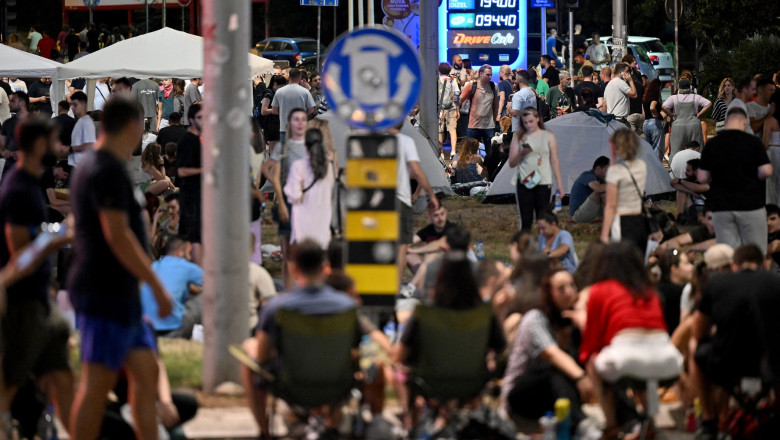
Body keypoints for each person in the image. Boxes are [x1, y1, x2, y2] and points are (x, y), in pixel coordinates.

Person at [68, 96, 174, 439]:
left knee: (145, 374)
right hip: (104, 291)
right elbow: (118, 234)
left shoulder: (92, 165)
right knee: (97, 386)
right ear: (132, 125)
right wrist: (156, 285)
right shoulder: (106, 169)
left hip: (119, 293)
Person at [0, 118, 74, 438]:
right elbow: (20, 251)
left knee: (61, 367)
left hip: (40, 296)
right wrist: (56, 237)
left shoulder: (30, 183)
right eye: (53, 142)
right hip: (22, 299)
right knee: (13, 376)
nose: (58, 148)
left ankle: (70, 426)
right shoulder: (17, 188)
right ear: (38, 145)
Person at [249, 239, 359, 438]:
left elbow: (262, 356)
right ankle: (332, 424)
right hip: (336, 385)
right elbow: (355, 350)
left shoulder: (276, 308)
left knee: (248, 353)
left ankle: (264, 431)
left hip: (290, 386)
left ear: (295, 268)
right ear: (325, 268)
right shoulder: (347, 306)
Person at [579, 243, 681, 440]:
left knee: (596, 363)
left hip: (627, 357)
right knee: (642, 372)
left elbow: (592, 341)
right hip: (669, 362)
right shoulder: (648, 291)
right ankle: (649, 423)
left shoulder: (600, 290)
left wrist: (584, 367)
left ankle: (611, 427)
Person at [691, 244, 780, 440]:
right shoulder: (776, 281)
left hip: (726, 363)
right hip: (770, 366)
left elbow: (698, 332)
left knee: (696, 352)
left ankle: (708, 421)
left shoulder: (717, 284)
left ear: (734, 265)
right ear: (763, 265)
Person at [502, 264, 592, 432]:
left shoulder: (572, 318)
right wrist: (581, 378)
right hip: (521, 397)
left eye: (572, 285)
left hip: (553, 398)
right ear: (549, 294)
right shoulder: (535, 318)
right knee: (552, 367)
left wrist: (583, 324)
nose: (569, 292)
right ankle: (581, 424)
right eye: (561, 288)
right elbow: (551, 354)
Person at [697, 99, 773, 255]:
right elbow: (766, 171)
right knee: (755, 250)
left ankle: (733, 277)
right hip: (751, 203)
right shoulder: (753, 142)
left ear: (725, 122)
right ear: (744, 122)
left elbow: (703, 177)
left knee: (728, 251)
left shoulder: (713, 144)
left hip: (722, 205)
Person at [262, 108, 308, 289]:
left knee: (302, 249)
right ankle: (290, 292)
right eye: (296, 120)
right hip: (288, 201)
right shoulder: (284, 147)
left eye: (303, 120)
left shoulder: (310, 146)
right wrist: (279, 194)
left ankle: (302, 288)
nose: (300, 123)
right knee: (288, 250)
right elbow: (267, 168)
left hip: (306, 201)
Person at [508, 107, 564, 231]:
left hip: (543, 181)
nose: (528, 125)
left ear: (538, 119)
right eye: (525, 122)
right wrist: (521, 154)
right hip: (524, 180)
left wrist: (560, 184)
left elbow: (554, 160)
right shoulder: (519, 137)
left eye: (531, 121)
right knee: (526, 220)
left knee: (543, 218)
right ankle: (525, 246)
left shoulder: (548, 136)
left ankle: (543, 246)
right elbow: (511, 163)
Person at [283, 127, 334, 250]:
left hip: (303, 225)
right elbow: (331, 191)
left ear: (305, 144)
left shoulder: (298, 166)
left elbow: (294, 196)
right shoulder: (329, 167)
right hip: (323, 222)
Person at [600, 129, 651, 252]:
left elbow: (611, 205)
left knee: (623, 263)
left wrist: (604, 233)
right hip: (640, 220)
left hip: (622, 221)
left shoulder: (615, 171)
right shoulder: (641, 166)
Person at [141, 238, 203, 338]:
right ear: (180, 251)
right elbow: (212, 283)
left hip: (148, 327)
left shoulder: (154, 265)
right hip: (172, 328)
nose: (190, 257)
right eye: (189, 252)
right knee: (205, 296)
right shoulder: (186, 266)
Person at [176, 103, 204, 265]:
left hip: (198, 195)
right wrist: (205, 169)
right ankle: (197, 274)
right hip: (191, 196)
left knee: (198, 235)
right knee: (194, 236)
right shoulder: (188, 140)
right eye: (201, 118)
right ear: (192, 120)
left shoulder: (197, 140)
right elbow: (181, 171)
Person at [662, 78, 712, 163]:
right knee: (696, 150)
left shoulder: (674, 98)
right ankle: (698, 169)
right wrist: (699, 114)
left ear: (679, 87)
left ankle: (674, 172)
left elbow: (664, 106)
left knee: (676, 151)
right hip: (694, 126)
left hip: (678, 126)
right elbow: (708, 103)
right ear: (690, 87)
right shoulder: (696, 97)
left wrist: (672, 115)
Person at [459, 64, 499, 153]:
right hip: (474, 126)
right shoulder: (471, 86)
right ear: (481, 74)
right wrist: (457, 110)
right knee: (470, 153)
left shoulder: (494, 86)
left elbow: (496, 105)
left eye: (491, 75)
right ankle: (472, 167)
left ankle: (488, 167)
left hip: (489, 126)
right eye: (487, 75)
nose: (490, 77)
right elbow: (460, 100)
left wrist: (495, 120)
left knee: (491, 153)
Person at [271, 68, 316, 146]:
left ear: (289, 77)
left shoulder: (279, 91)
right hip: (300, 129)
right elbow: (311, 110)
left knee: (285, 155)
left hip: (284, 129)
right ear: (299, 77)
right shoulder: (305, 92)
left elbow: (274, 111)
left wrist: (283, 113)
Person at [569, 156, 609, 223]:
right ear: (598, 169)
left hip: (590, 212)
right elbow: (598, 189)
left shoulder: (601, 180)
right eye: (606, 170)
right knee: (599, 193)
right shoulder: (587, 175)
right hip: (577, 216)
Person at [670, 157, 709, 225]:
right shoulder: (689, 180)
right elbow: (673, 183)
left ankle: (681, 219)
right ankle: (680, 218)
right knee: (681, 191)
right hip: (692, 209)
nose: (685, 172)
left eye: (688, 170)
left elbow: (698, 188)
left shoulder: (707, 181)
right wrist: (691, 192)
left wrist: (680, 180)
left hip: (704, 210)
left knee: (681, 190)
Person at [437, 63, 460, 157]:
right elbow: (457, 94)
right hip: (451, 107)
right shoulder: (452, 80)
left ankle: (441, 152)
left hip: (440, 109)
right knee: (452, 130)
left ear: (439, 70)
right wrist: (458, 109)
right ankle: (453, 151)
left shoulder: (436, 80)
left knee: (440, 130)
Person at [68, 91, 96, 168]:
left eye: (75, 105)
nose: (72, 107)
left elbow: (90, 145)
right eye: (71, 105)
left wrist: (70, 149)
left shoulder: (86, 122)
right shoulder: (80, 121)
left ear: (83, 104)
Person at [643, 78, 665, 160]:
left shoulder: (645, 99)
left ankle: (649, 167)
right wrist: (657, 115)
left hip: (646, 123)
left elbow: (643, 114)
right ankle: (657, 168)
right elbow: (652, 107)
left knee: (648, 148)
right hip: (655, 123)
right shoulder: (655, 98)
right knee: (657, 148)